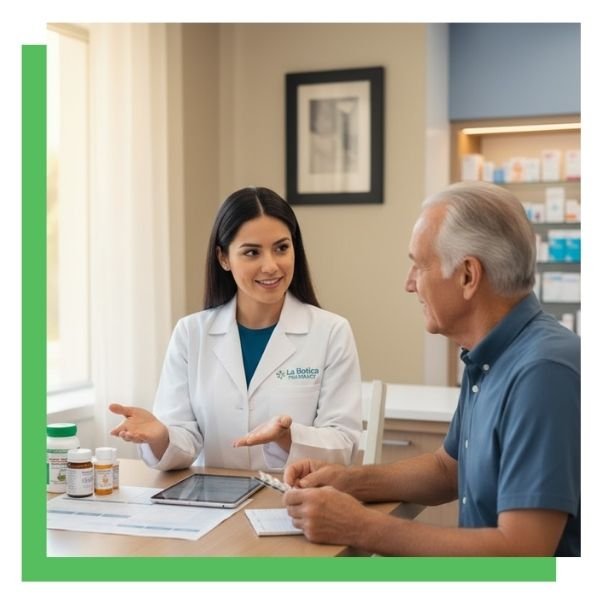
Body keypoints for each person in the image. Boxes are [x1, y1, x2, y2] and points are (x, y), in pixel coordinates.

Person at [282, 181, 580, 556]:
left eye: (419, 266)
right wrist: (349, 481)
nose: (409, 284)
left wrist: (359, 526)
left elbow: (523, 553)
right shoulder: (490, 356)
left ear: (468, 276)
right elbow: (447, 469)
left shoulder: (543, 374)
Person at [109, 186, 362, 471]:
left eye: (281, 248)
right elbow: (184, 442)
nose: (271, 266)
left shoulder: (331, 332)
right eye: (252, 252)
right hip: (213, 503)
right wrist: (161, 436)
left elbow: (345, 445)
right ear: (224, 258)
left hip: (293, 500)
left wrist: (287, 437)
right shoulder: (191, 333)